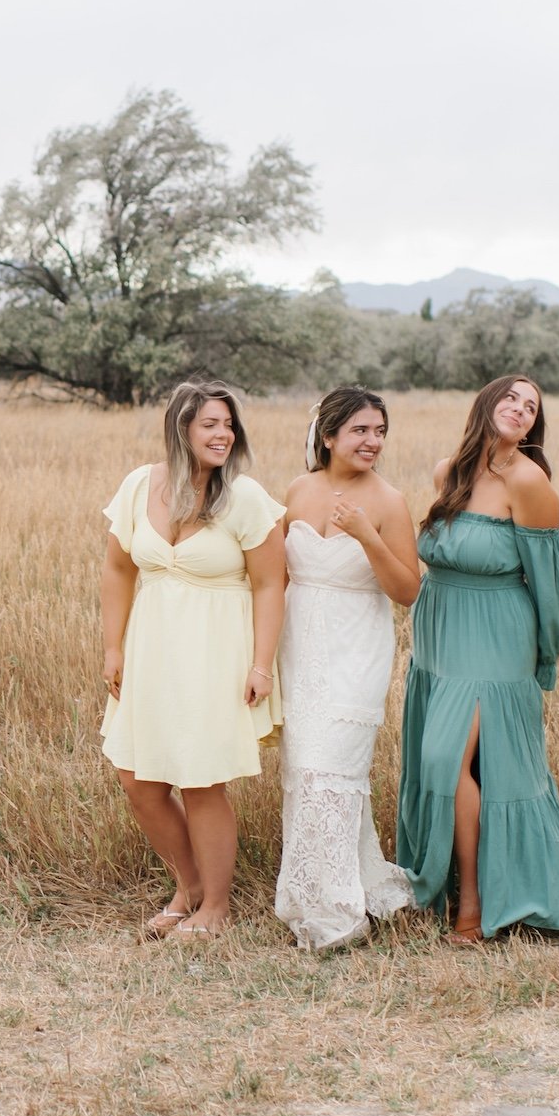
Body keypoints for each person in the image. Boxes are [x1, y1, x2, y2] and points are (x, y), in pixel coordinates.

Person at [396, 375, 559, 944]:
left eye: (532, 408)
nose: (521, 410)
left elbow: (550, 583)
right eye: (511, 397)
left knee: (449, 762)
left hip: (497, 639)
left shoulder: (529, 482)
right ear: (486, 402)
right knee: (444, 765)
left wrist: (545, 655)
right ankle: (449, 886)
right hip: (440, 636)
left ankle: (474, 905)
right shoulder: (446, 470)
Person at [102, 380, 285, 942]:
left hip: (215, 653)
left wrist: (261, 664)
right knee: (139, 780)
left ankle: (216, 907)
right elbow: (118, 568)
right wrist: (112, 646)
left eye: (228, 424)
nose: (223, 434)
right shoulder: (139, 485)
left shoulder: (245, 498)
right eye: (210, 423)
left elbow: (270, 583)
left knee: (201, 780)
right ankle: (189, 887)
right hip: (152, 648)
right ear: (181, 428)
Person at [274, 386, 418, 950]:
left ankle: (337, 911)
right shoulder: (298, 490)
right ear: (329, 435)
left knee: (330, 768)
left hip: (358, 647)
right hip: (300, 643)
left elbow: (407, 589)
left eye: (380, 431)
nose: (372, 441)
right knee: (304, 770)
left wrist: (365, 534)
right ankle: (353, 884)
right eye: (360, 430)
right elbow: (277, 577)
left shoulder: (389, 500)